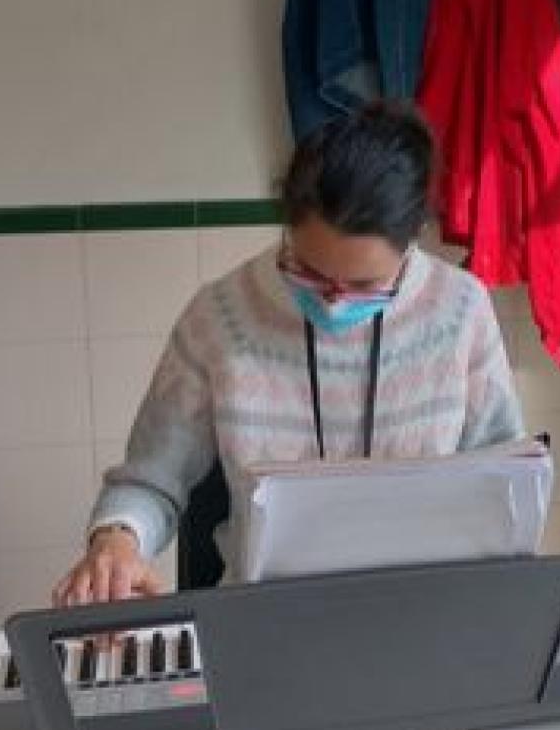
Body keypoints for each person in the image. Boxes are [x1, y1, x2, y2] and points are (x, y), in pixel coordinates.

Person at [52, 102, 526, 607]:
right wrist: (117, 541)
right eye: (310, 271)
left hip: (423, 605)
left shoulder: (459, 311)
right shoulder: (220, 317)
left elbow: (506, 483)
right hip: (261, 613)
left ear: (412, 239)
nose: (333, 298)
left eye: (365, 285)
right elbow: (150, 479)